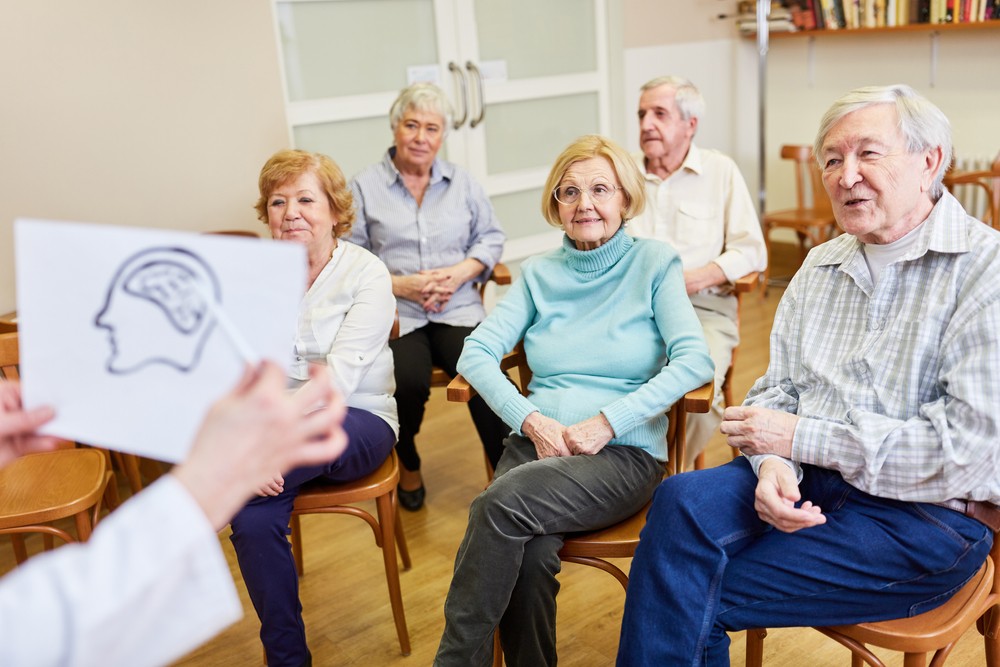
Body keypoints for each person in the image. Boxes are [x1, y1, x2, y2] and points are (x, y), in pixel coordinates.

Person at [617, 84, 1000, 666]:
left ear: (930, 162)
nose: (845, 175)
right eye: (832, 158)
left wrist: (795, 439)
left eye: (868, 154)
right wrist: (774, 464)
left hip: (928, 518)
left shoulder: (985, 271)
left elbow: (962, 452)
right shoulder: (821, 262)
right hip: (813, 481)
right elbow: (777, 390)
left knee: (692, 589)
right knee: (679, 500)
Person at [434, 134, 714, 667]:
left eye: (600, 190)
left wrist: (609, 421)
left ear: (625, 200)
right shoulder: (539, 274)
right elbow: (475, 354)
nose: (585, 204)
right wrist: (530, 419)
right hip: (538, 446)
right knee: (531, 552)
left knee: (496, 507)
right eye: (570, 192)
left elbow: (694, 362)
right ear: (556, 206)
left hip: (620, 454)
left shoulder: (655, 264)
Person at [0, 361, 349, 667]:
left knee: (252, 511)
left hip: (347, 415)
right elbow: (58, 623)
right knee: (252, 519)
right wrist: (208, 481)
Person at [230, 149, 398, 667]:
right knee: (251, 517)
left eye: (306, 198)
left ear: (333, 209)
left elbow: (340, 380)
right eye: (278, 201)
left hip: (358, 418)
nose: (291, 212)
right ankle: (287, 656)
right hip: (278, 436)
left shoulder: (367, 274)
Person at [349, 82, 508, 511]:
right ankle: (408, 456)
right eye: (412, 125)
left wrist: (460, 273)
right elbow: (349, 255)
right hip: (398, 310)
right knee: (407, 381)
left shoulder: (463, 183)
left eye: (432, 128)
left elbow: (491, 237)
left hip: (457, 305)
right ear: (395, 127)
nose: (421, 137)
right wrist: (399, 285)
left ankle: (508, 473)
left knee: (484, 371)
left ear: (443, 136)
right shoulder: (364, 186)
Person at [629, 75, 767, 467]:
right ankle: (621, 472)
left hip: (703, 312)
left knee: (698, 397)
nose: (645, 125)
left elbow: (751, 250)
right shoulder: (623, 175)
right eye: (641, 114)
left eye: (659, 114)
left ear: (690, 124)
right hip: (632, 313)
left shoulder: (719, 171)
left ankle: (661, 477)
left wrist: (698, 277)